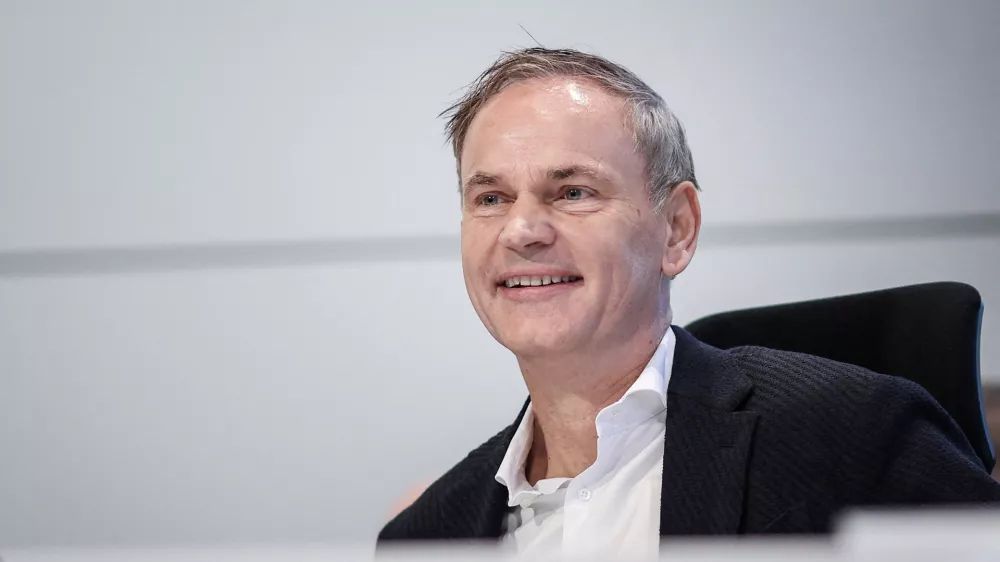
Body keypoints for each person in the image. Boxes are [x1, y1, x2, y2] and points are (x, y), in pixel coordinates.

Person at [377, 48, 1000, 556]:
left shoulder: (851, 431)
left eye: (572, 191)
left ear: (676, 229)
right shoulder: (431, 535)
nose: (521, 230)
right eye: (490, 199)